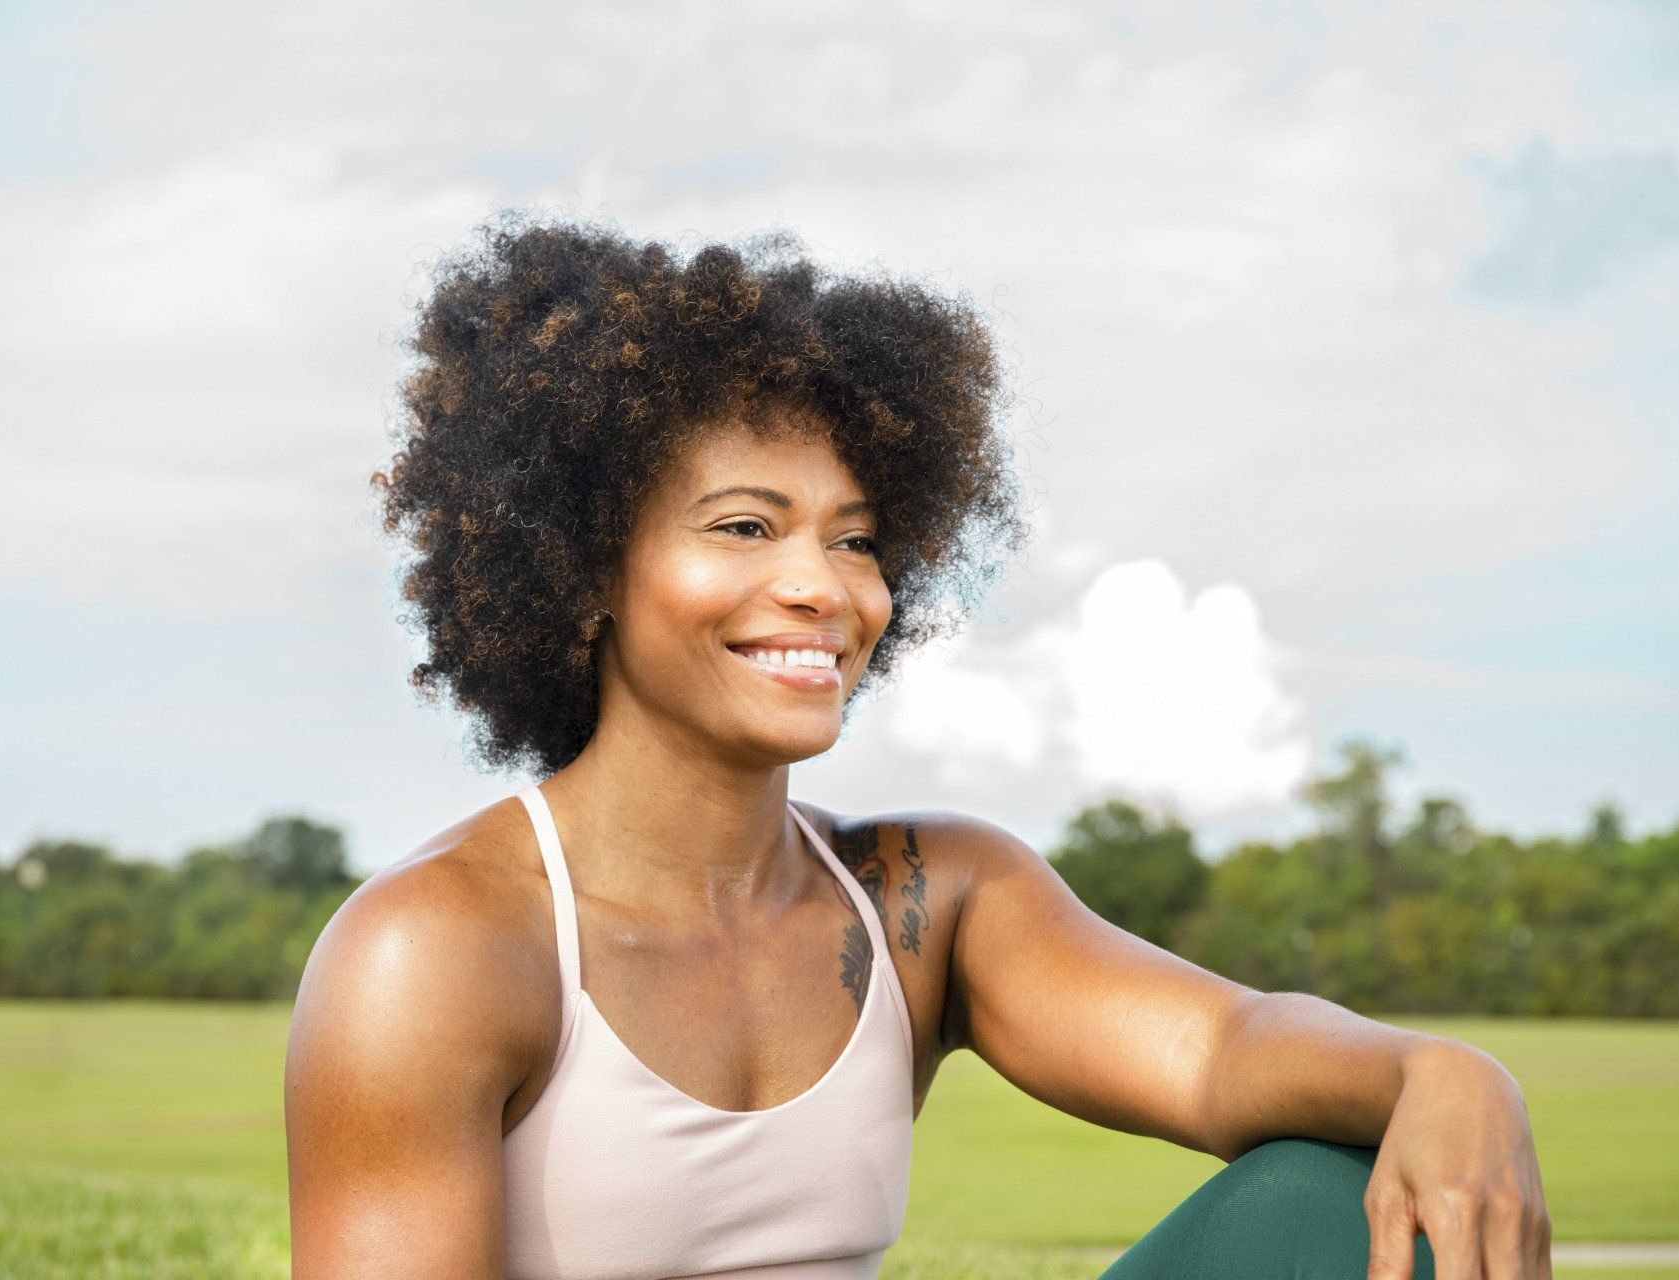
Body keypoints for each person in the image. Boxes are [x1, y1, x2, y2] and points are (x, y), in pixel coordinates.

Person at [283, 209, 1552, 1279]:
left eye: (854, 537)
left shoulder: (927, 902)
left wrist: (1441, 1068)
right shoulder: (439, 951)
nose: (822, 588)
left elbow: (1222, 1051)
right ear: (581, 567)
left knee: (1337, 1199)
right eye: (742, 527)